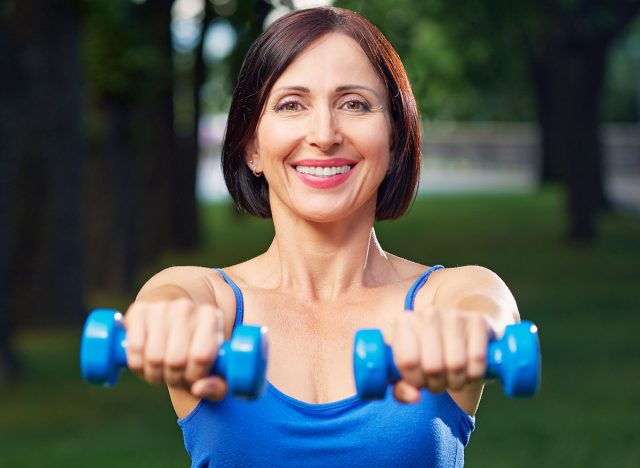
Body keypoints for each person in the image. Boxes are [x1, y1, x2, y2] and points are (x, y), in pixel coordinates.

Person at [124, 7, 520, 467]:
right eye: (292, 105)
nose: (324, 134)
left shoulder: (445, 297)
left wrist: (471, 331)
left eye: (354, 103)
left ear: (393, 141)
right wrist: (166, 323)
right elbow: (168, 298)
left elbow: (488, 309)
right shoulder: (213, 300)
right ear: (252, 145)